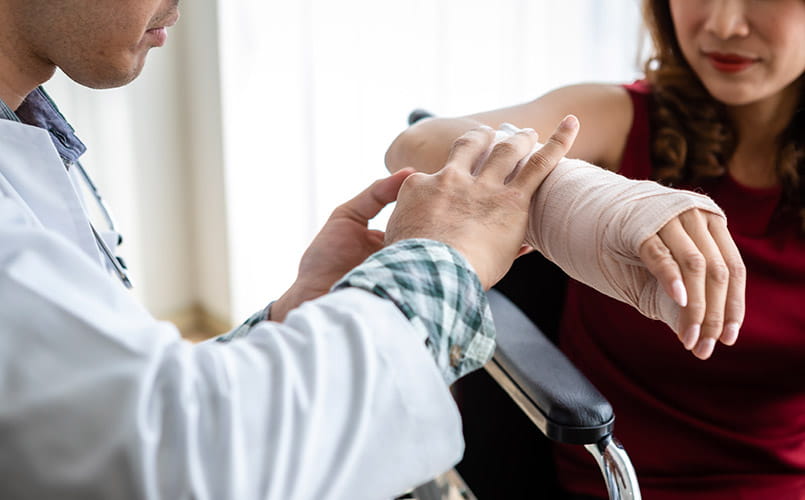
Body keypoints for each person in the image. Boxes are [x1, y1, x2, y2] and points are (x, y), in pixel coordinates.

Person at [0, 0, 592, 499]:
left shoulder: (30, 136)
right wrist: (440, 257)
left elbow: (103, 415)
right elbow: (178, 460)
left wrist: (295, 313)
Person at [385, 0, 805, 498]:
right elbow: (417, 145)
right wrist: (609, 203)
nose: (722, 24)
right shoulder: (624, 118)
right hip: (606, 485)